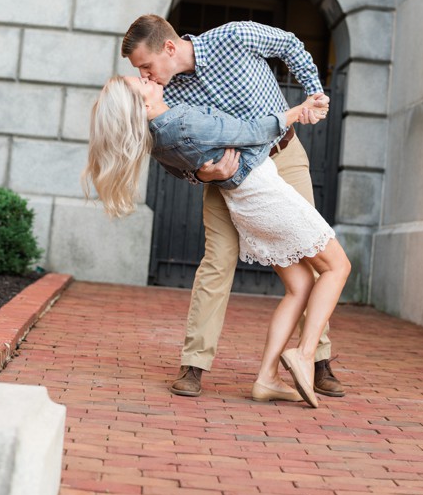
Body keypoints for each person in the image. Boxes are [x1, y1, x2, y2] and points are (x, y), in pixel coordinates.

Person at [84, 75, 350, 407]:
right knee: (337, 267)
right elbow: (250, 132)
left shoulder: (158, 137)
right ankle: (306, 352)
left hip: (246, 203)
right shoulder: (183, 121)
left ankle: (267, 378)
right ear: (144, 104)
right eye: (140, 80)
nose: (147, 76)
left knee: (299, 286)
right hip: (267, 193)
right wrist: (299, 111)